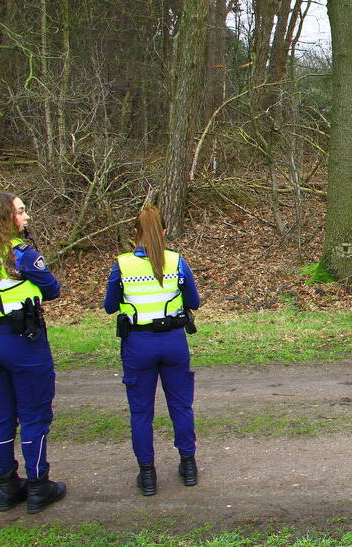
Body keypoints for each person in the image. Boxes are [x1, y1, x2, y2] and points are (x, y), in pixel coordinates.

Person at [103, 204, 200, 496]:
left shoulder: (122, 265)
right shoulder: (177, 262)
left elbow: (109, 306)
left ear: (136, 233)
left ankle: (147, 475)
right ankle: (188, 465)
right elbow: (193, 301)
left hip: (138, 344)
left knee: (141, 412)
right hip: (173, 341)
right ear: (164, 231)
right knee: (181, 406)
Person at [0, 191, 66, 514]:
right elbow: (52, 288)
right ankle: (38, 485)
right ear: (6, 217)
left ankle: (6, 486)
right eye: (21, 212)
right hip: (22, 340)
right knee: (34, 413)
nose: (27, 217)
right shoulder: (21, 255)